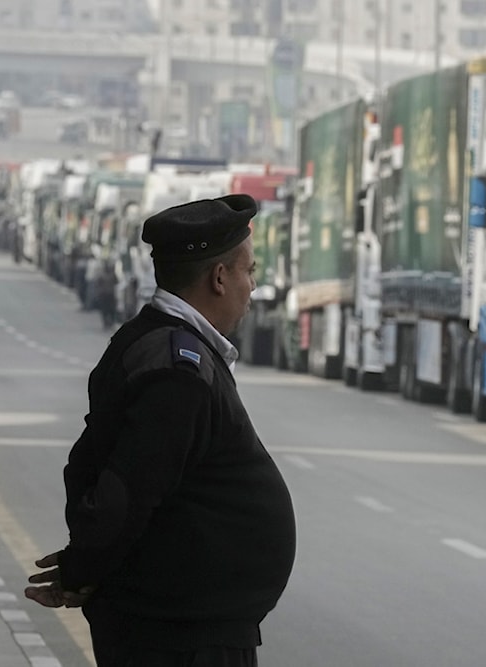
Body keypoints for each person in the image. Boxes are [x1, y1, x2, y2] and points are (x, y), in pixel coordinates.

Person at [25, 194, 296, 667]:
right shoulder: (176, 369)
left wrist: (84, 567)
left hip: (187, 625)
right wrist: (81, 569)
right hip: (179, 638)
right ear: (219, 277)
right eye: (249, 272)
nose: (253, 286)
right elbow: (126, 491)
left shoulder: (160, 343)